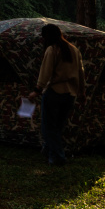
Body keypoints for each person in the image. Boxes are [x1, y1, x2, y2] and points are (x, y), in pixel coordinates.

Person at [29, 24, 84, 166]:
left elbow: (45, 72)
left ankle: (58, 157)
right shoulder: (74, 49)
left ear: (47, 36)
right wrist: (82, 91)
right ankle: (48, 152)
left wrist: (37, 89)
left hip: (54, 92)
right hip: (70, 93)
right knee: (58, 126)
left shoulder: (52, 49)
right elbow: (80, 73)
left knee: (48, 127)